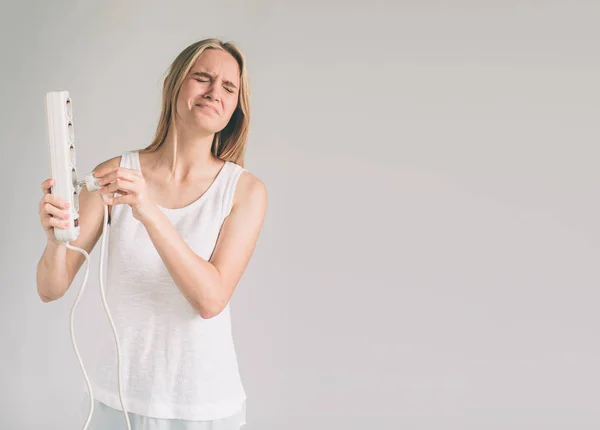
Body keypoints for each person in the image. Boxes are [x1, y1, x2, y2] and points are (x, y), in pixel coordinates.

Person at [36, 38, 267, 430]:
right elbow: (50, 288)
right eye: (203, 78)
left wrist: (148, 210)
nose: (215, 92)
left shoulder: (245, 191)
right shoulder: (113, 174)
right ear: (176, 85)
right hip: (115, 402)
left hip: (204, 410)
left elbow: (210, 299)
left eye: (229, 87)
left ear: (236, 108)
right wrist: (52, 238)